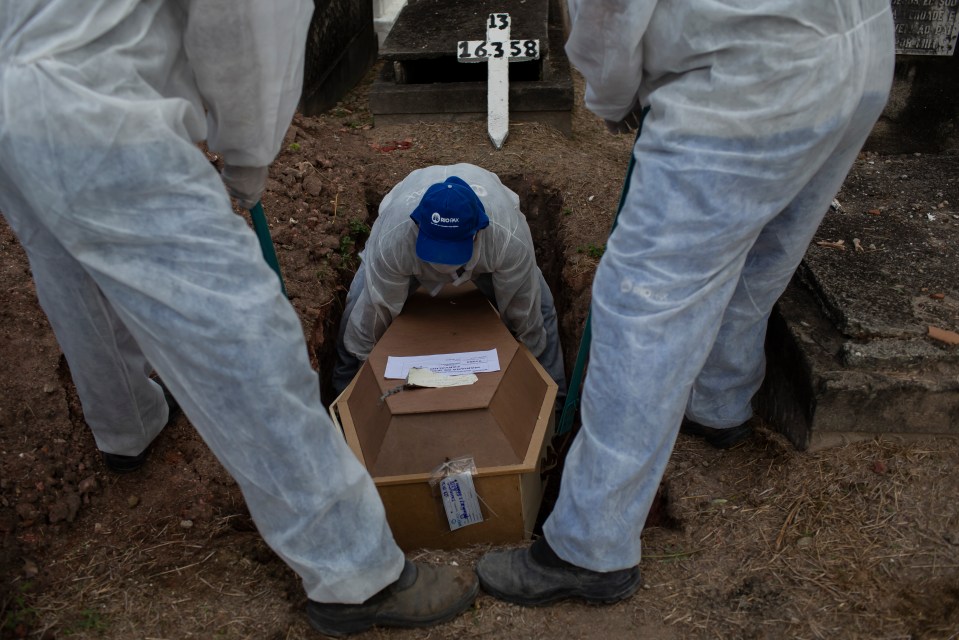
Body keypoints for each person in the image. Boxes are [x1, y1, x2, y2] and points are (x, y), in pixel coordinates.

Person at [0, 1, 477, 635]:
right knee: (245, 330)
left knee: (70, 276)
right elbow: (248, 24)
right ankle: (354, 572)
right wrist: (247, 161)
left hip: (16, 97)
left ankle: (128, 427)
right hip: (100, 111)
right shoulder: (396, 237)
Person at [476, 0, 895, 604]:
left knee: (643, 304)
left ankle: (589, 547)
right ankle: (719, 402)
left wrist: (610, 95)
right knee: (760, 257)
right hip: (857, 46)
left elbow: (608, 9)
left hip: (745, 78)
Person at [331, 163, 568, 403]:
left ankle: (555, 405)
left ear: (477, 231)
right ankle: (342, 399)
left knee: (542, 308)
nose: (442, 266)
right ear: (418, 225)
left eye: (450, 253)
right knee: (357, 306)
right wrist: (365, 383)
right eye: (438, 252)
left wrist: (527, 368)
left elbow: (524, 313)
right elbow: (374, 313)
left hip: (486, 259)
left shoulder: (508, 239)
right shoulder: (395, 238)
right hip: (409, 255)